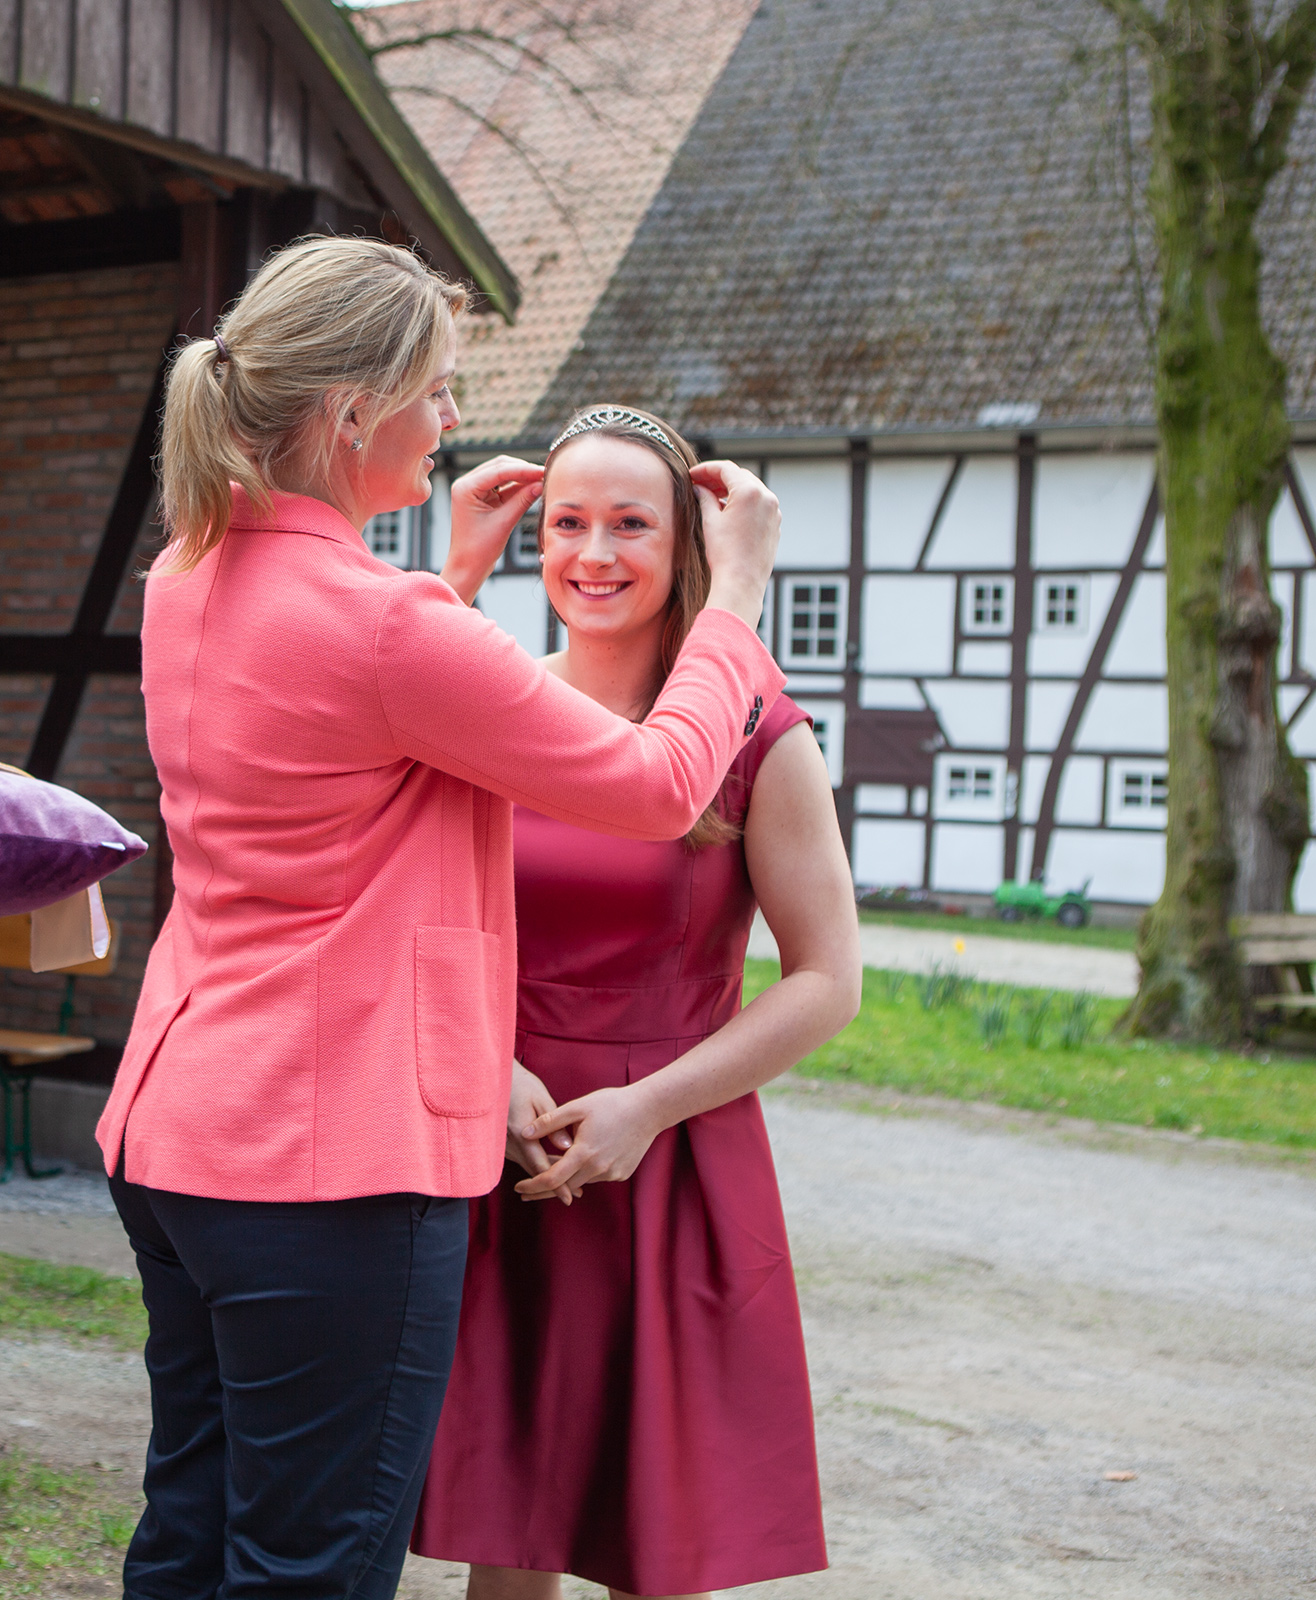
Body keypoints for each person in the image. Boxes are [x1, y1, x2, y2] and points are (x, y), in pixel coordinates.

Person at [93, 235, 788, 1600]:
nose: (455, 418)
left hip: (182, 1132)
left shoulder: (189, 573)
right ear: (355, 412)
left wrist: (451, 578)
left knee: (193, 1532)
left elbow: (346, 725)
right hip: (327, 1171)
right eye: (439, 388)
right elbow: (657, 787)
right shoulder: (387, 623)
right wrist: (740, 603)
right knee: (311, 1567)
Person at [411, 405, 860, 1600]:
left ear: (688, 545)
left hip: (670, 1151)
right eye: (567, 522)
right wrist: (488, 1064)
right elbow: (416, 916)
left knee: (658, 1544)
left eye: (630, 524)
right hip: (501, 1144)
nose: (594, 553)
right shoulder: (490, 701)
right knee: (507, 1531)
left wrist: (648, 1107)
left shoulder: (760, 731)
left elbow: (829, 980)